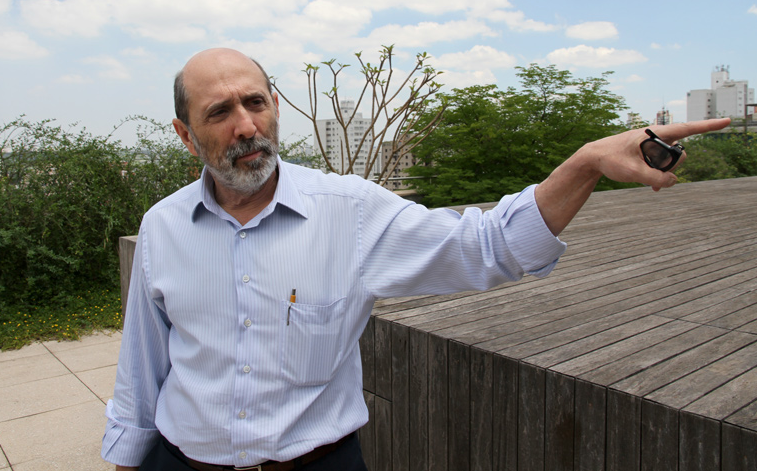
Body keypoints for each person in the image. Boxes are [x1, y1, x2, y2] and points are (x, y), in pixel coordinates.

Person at [101, 48, 730, 471]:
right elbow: (143, 370)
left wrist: (584, 163)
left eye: (257, 103)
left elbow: (486, 247)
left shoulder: (348, 212)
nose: (246, 126)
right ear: (185, 134)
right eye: (220, 112)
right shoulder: (163, 229)